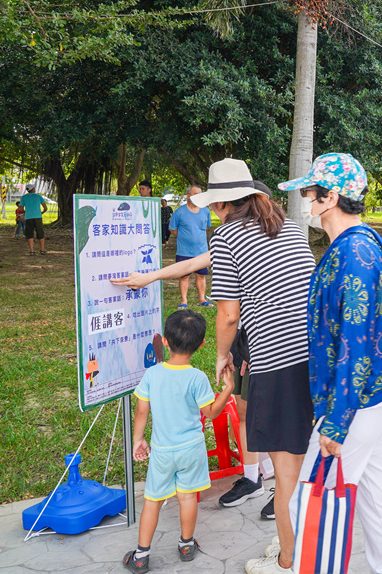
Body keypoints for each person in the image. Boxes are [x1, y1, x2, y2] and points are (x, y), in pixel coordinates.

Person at [114, 181, 281, 518]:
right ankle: (253, 479)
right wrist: (148, 277)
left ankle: (285, 491)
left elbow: (229, 312)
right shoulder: (234, 237)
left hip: (273, 342)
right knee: (247, 412)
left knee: (272, 416)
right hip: (247, 338)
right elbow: (192, 263)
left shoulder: (273, 236)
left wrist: (227, 352)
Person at [278, 152, 382, 574]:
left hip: (355, 403)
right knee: (373, 493)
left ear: (330, 198)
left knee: (307, 505)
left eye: (310, 193)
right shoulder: (353, 244)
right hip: (367, 397)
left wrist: (335, 424)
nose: (306, 201)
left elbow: (357, 345)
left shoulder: (355, 255)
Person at [190, 160, 316, 573]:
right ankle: (298, 547)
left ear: (224, 203)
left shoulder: (226, 236)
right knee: (306, 463)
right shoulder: (292, 227)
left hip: (275, 363)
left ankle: (288, 560)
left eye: (213, 205)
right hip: (316, 359)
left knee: (285, 469)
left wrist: (223, 355)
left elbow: (228, 315)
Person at [122, 310, 235, 573]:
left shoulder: (152, 374)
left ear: (165, 342)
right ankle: (186, 545)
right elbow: (211, 412)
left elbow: (141, 411)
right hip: (192, 449)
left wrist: (138, 439)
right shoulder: (196, 377)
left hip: (162, 451)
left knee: (153, 500)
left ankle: (141, 555)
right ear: (202, 344)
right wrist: (227, 388)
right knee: (186, 498)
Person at [169, 186, 213, 308]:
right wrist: (184, 237)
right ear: (188, 196)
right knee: (184, 276)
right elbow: (172, 228)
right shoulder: (179, 212)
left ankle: (202, 299)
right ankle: (184, 301)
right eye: (196, 194)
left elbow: (205, 227)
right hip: (184, 251)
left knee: (201, 275)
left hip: (202, 251)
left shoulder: (205, 211)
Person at [20, 183, 48, 256]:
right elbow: (45, 208)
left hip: (28, 217)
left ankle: (32, 251)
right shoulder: (39, 196)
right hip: (38, 217)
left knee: (29, 234)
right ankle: (42, 250)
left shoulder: (24, 197)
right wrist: (42, 212)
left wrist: (25, 212)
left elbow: (21, 208)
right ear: (33, 189)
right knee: (40, 233)